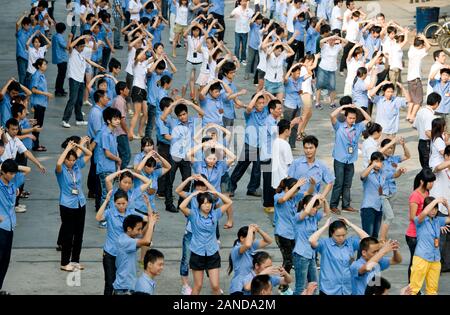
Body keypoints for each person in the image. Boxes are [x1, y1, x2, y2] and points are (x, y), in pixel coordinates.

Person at [178, 190, 233, 295]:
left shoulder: (215, 214)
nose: (207, 206)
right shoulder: (194, 215)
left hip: (212, 252)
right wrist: (193, 195)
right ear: (199, 204)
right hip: (197, 253)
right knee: (198, 286)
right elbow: (182, 206)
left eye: (209, 203)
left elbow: (229, 202)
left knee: (215, 286)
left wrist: (215, 192)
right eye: (204, 203)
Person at [55, 137, 92, 272]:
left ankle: (75, 260)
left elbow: (89, 154)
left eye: (73, 160)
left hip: (80, 202)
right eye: (68, 160)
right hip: (67, 205)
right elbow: (59, 162)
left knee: (79, 234)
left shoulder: (77, 166)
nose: (71, 162)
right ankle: (65, 262)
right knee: (68, 234)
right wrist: (68, 149)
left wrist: (79, 146)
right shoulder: (61, 170)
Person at [309, 217, 369, 295]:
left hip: (347, 288)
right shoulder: (325, 244)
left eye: (344, 235)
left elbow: (367, 239)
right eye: (338, 235)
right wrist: (325, 226)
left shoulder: (351, 243)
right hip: (329, 289)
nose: (341, 238)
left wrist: (350, 224)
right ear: (331, 234)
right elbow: (311, 240)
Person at [273, 177, 313, 295]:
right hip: (282, 234)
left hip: (293, 234)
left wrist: (313, 185)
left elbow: (308, 193)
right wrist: (296, 186)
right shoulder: (278, 196)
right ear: (286, 188)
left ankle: (295, 285)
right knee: (288, 261)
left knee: (296, 259)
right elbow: (283, 198)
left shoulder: (294, 197)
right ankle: (282, 287)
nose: (296, 193)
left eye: (296, 190)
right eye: (294, 190)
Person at [329, 104, 371, 214]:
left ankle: (345, 205)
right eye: (350, 118)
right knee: (339, 183)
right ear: (345, 117)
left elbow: (369, 119)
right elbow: (332, 115)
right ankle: (333, 205)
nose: (352, 120)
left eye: (354, 118)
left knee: (348, 183)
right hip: (339, 158)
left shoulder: (358, 127)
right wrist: (344, 107)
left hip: (351, 159)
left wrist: (359, 109)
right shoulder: (339, 126)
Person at [96, 189, 136, 295]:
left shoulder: (131, 214)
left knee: (121, 284)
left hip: (124, 255)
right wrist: (106, 200)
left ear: (128, 202)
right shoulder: (110, 212)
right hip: (110, 253)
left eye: (123, 203)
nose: (121, 206)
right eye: (118, 203)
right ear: (114, 203)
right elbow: (98, 217)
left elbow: (145, 219)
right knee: (109, 283)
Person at [62, 35, 105, 128]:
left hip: (80, 80)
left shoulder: (81, 55)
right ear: (76, 47)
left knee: (79, 100)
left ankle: (79, 119)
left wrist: (98, 66)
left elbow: (89, 61)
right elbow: (70, 46)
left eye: (83, 46)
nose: (82, 48)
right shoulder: (73, 52)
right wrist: (80, 37)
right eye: (81, 47)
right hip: (74, 78)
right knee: (72, 99)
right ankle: (65, 119)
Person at [112, 210, 159, 295]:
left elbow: (141, 236)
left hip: (126, 287)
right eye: (138, 229)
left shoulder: (126, 238)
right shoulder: (125, 242)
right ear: (129, 229)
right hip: (123, 289)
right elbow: (146, 241)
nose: (140, 231)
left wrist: (149, 223)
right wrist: (151, 223)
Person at [410, 197, 450, 295]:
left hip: (435, 259)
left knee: (432, 290)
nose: (433, 211)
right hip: (421, 258)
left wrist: (447, 206)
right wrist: (436, 201)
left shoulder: (438, 220)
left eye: (436, 209)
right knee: (413, 289)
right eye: (432, 208)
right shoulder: (419, 220)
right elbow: (424, 213)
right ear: (426, 208)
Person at [293, 194, 330, 295]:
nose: (315, 210)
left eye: (317, 208)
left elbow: (327, 213)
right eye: (313, 207)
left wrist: (324, 200)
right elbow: (305, 212)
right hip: (301, 255)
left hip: (311, 255)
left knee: (314, 285)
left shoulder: (314, 217)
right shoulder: (298, 217)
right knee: (300, 287)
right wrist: (314, 198)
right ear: (305, 205)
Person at [405, 168, 436, 282]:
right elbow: (412, 217)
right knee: (415, 262)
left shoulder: (426, 193)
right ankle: (411, 287)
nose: (432, 184)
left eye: (433, 182)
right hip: (414, 235)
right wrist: (426, 215)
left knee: (421, 262)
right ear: (422, 182)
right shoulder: (415, 195)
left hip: (423, 233)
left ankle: (415, 287)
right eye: (430, 182)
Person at [378, 137, 410, 241]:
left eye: (392, 148)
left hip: (392, 190)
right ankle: (382, 239)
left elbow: (407, 156)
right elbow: (378, 152)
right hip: (382, 192)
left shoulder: (394, 159)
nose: (391, 150)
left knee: (386, 216)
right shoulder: (378, 159)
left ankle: (384, 236)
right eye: (389, 148)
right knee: (390, 216)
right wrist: (391, 142)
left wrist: (403, 144)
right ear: (384, 147)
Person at [228, 224, 273, 295]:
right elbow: (247, 244)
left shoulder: (251, 245)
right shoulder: (236, 249)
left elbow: (269, 241)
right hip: (239, 288)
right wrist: (250, 229)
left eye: (254, 239)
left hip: (250, 283)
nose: (253, 241)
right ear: (242, 238)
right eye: (251, 238)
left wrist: (258, 230)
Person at [406, 34, 431, 123]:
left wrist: (417, 38)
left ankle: (408, 114)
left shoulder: (411, 50)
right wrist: (424, 37)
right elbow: (429, 46)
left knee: (412, 99)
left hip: (409, 79)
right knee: (419, 100)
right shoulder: (419, 53)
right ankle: (412, 116)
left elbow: (413, 43)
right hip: (416, 80)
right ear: (420, 45)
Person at [29, 58, 52, 152]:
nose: (46, 66)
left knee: (39, 123)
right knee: (38, 125)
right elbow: (33, 90)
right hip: (38, 103)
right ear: (39, 66)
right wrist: (46, 94)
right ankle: (35, 145)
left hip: (42, 103)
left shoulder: (41, 75)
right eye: (44, 64)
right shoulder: (37, 76)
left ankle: (36, 143)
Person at [414, 93, 440, 168]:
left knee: (424, 167)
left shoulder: (420, 111)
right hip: (427, 144)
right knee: (428, 167)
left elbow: (415, 126)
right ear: (437, 103)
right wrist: (438, 139)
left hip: (421, 142)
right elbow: (428, 132)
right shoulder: (430, 115)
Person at [112, 81, 131, 169]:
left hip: (117, 131)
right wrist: (128, 132)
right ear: (121, 91)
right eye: (126, 88)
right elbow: (122, 119)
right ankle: (121, 175)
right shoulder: (119, 101)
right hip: (120, 132)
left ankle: (119, 173)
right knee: (126, 155)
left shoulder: (119, 100)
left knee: (121, 154)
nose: (128, 90)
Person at [230, 0, 254, 65]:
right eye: (243, 1)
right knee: (237, 46)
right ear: (240, 2)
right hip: (237, 30)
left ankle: (243, 59)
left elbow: (253, 17)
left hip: (245, 31)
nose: (245, 3)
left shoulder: (249, 10)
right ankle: (236, 59)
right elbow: (231, 15)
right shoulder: (237, 9)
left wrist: (251, 21)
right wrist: (233, 15)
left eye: (246, 1)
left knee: (244, 46)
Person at [52, 22, 69, 97]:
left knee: (60, 74)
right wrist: (69, 39)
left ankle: (59, 89)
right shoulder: (59, 37)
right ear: (63, 30)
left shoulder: (55, 36)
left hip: (58, 58)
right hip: (61, 58)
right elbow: (66, 46)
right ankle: (59, 90)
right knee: (61, 75)